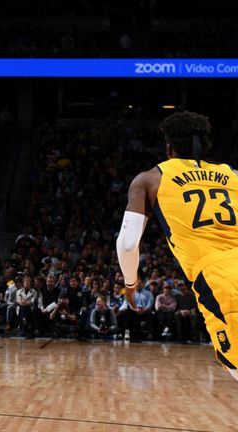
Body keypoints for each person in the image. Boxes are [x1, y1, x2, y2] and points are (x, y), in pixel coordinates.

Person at [117, 110, 238, 379]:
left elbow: (127, 245)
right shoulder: (234, 175)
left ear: (169, 147)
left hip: (221, 279)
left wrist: (130, 285)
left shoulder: (150, 179)